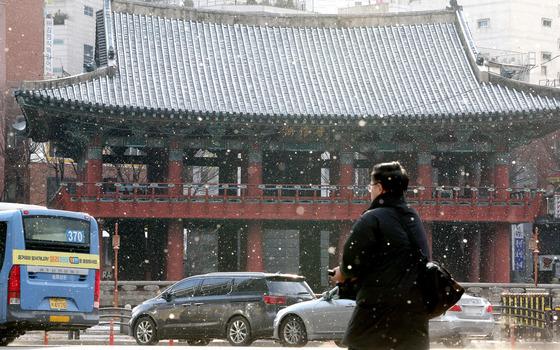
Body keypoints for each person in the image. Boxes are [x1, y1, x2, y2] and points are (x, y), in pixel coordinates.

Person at [331, 161, 430, 350]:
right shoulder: (413, 218)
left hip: (377, 313)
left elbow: (351, 263)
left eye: (371, 186)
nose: (370, 191)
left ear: (379, 188)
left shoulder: (372, 218)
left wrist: (342, 273)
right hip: (414, 315)